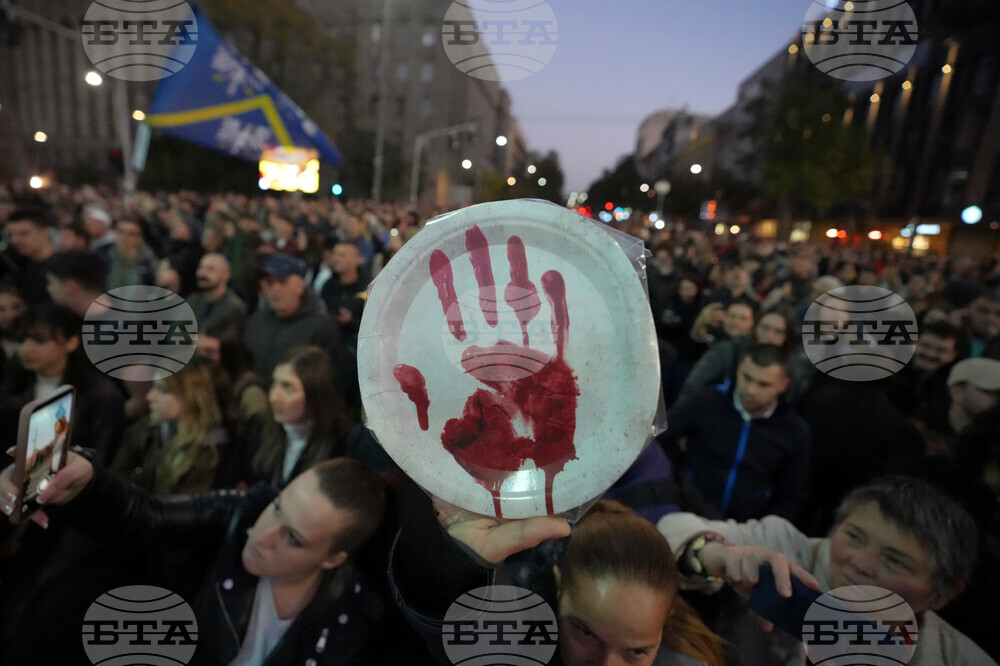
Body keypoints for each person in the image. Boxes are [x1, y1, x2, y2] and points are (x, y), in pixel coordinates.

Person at [0, 451, 388, 666]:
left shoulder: (353, 621)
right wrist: (87, 481)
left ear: (333, 559)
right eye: (277, 508)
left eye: (293, 538)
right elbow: (149, 515)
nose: (262, 534)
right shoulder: (243, 514)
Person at [658, 476, 995, 665]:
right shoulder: (786, 550)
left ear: (943, 594)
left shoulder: (955, 659)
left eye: (894, 560)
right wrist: (712, 553)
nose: (860, 563)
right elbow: (671, 529)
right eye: (854, 537)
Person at [391, 496, 728, 666]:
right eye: (584, 632)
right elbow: (458, 633)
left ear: (666, 622)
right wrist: (449, 561)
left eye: (637, 652)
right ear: (558, 586)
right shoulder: (522, 639)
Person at [662, 344, 810, 522]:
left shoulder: (793, 431)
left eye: (763, 384)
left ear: (784, 385)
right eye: (747, 378)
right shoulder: (706, 401)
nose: (751, 390)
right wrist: (676, 481)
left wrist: (763, 529)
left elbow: (793, 494)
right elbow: (662, 438)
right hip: (687, 515)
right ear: (738, 370)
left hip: (747, 531)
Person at [0, 304, 125, 465]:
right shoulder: (13, 387)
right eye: (21, 340)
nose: (26, 348)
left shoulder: (101, 394)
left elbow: (103, 455)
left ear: (71, 342)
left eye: (39, 341)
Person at [216, 346, 350, 489]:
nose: (273, 397)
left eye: (287, 387)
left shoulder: (341, 442)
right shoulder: (258, 426)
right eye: (275, 383)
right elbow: (225, 482)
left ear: (316, 395)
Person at [109, 357, 230, 494]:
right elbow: (115, 479)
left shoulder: (210, 451)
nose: (150, 396)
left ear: (191, 397)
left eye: (163, 390)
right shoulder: (146, 430)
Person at [244, 253, 344, 385]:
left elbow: (331, 379)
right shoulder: (255, 322)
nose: (274, 289)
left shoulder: (321, 328)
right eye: (269, 282)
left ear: (300, 286)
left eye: (282, 281)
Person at [187, 252, 247, 331]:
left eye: (210, 269)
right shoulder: (192, 301)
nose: (202, 273)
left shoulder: (234, 307)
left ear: (226, 274)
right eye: (200, 268)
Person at [104, 217, 157, 290]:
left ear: (140, 238)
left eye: (131, 234)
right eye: (121, 232)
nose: (125, 237)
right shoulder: (104, 255)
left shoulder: (147, 261)